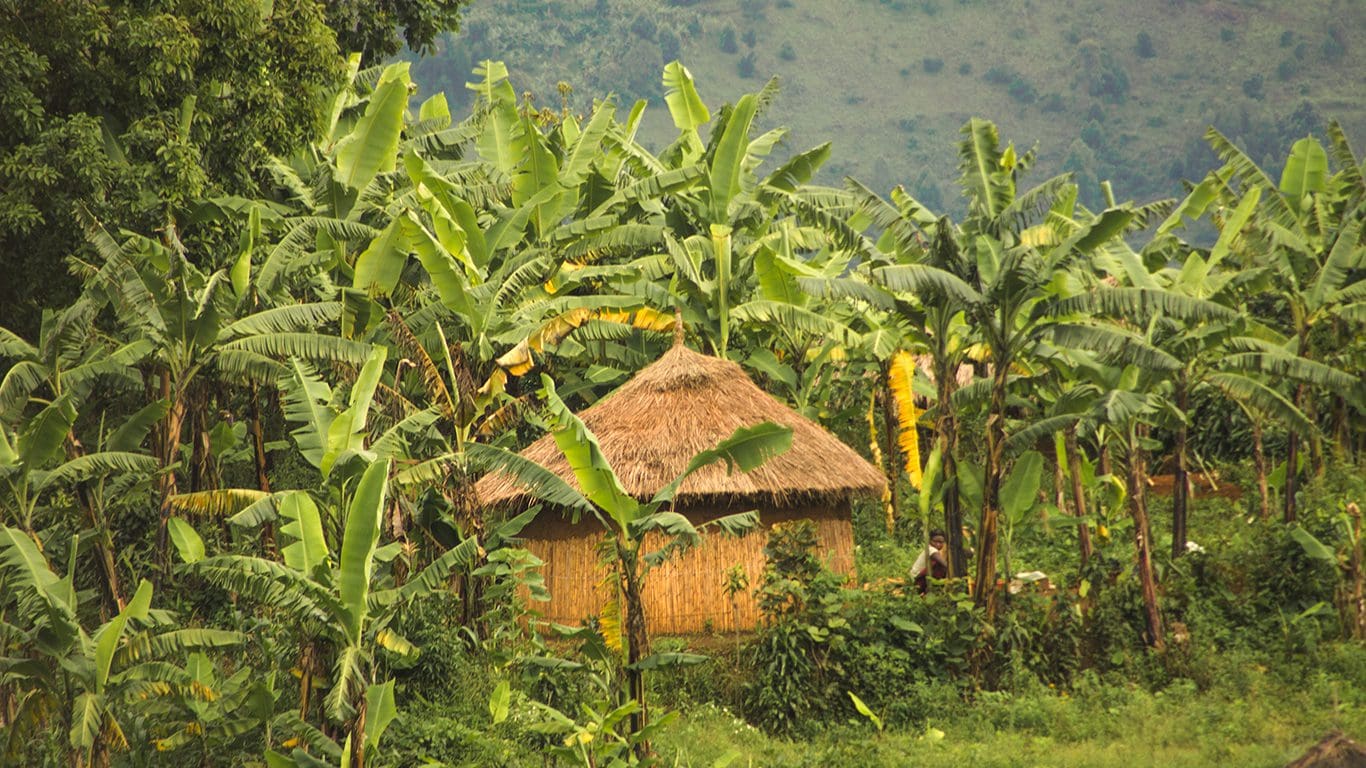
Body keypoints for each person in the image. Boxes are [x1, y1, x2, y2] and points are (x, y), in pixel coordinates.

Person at [910, 529, 949, 595]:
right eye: (935, 541)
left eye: (941, 542)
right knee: (941, 568)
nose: (938, 544)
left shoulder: (933, 550)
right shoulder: (931, 549)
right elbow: (945, 564)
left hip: (917, 578)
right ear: (930, 541)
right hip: (917, 580)